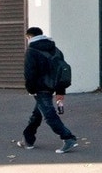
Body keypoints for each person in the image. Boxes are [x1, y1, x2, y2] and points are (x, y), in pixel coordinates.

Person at [18, 26, 78, 154]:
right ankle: (27, 139)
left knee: (49, 115)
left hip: (40, 88)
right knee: (37, 114)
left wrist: (31, 89)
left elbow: (29, 73)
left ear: (29, 37)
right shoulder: (56, 50)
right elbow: (62, 71)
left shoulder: (31, 51)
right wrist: (60, 92)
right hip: (53, 86)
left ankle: (68, 138)